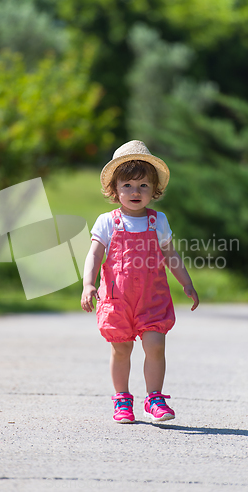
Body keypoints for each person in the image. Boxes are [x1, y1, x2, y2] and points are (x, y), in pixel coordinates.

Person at [81, 140, 199, 424]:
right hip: (117, 300)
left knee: (155, 345)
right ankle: (122, 399)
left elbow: (171, 256)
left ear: (154, 190)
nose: (136, 192)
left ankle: (154, 398)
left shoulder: (158, 222)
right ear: (115, 190)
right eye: (128, 186)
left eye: (144, 186)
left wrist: (187, 282)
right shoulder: (107, 222)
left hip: (151, 298)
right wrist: (88, 284)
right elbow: (94, 255)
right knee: (121, 348)